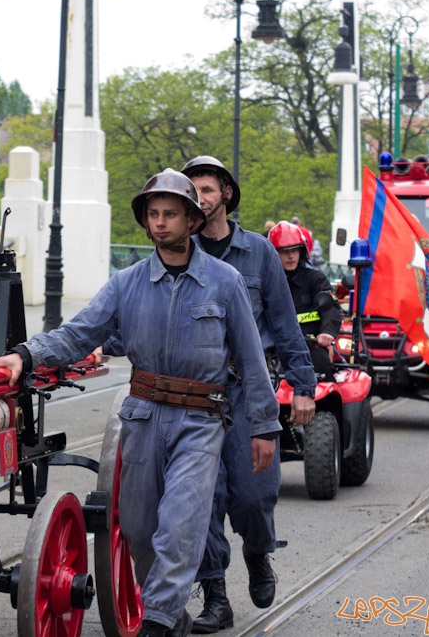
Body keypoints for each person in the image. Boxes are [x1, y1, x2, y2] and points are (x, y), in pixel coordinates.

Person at [0, 169, 278, 637]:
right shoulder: (126, 283)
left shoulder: (225, 282)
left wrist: (264, 428)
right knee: (140, 532)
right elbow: (79, 333)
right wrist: (27, 354)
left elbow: (250, 356)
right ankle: (171, 615)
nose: (161, 222)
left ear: (191, 220)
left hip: (201, 420)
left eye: (171, 214)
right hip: (142, 418)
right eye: (153, 214)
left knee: (180, 525)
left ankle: (158, 623)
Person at [182, 156, 318, 634]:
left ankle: (258, 555)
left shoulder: (258, 252)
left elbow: (283, 323)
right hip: (195, 398)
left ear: (226, 194)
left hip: (248, 394)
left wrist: (304, 387)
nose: (199, 196)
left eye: (207, 188)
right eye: (192, 189)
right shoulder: (179, 250)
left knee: (254, 496)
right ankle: (215, 596)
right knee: (203, 499)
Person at [268, 221, 341, 379]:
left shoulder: (315, 279)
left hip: (309, 346)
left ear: (302, 252)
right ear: (273, 253)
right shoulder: (265, 283)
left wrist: (327, 333)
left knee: (322, 367)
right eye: (284, 251)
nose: (291, 256)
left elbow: (331, 307)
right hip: (272, 348)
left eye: (295, 250)